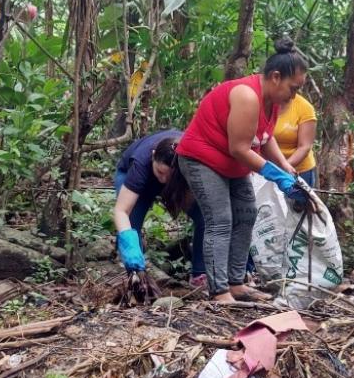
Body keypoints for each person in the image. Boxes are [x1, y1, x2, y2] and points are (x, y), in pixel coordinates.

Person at [176, 37, 308, 302]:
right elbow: (239, 148)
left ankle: (236, 282)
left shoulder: (272, 103)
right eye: (293, 89)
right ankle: (219, 290)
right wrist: (274, 175)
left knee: (247, 214)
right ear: (275, 77)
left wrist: (284, 165)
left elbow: (265, 137)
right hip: (203, 158)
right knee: (220, 220)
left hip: (231, 163)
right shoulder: (248, 96)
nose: (294, 96)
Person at [113, 130, 206, 286]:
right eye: (161, 172)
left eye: (167, 176)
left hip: (177, 181)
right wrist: (131, 249)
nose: (163, 180)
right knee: (131, 223)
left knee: (203, 216)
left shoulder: (191, 162)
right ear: (153, 155)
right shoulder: (141, 162)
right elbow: (121, 211)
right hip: (134, 174)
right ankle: (133, 272)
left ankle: (199, 273)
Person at [273, 94, 317, 186]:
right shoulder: (261, 103)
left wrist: (283, 167)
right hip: (266, 168)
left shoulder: (304, 107)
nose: (292, 93)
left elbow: (304, 147)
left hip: (299, 171)